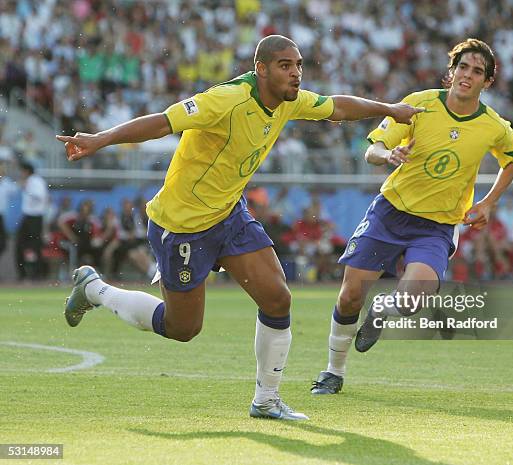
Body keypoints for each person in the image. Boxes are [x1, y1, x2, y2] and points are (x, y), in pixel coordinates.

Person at [56, 35, 423, 420]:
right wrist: (102, 138)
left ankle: (266, 400)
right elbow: (164, 122)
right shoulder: (226, 99)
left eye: (298, 65)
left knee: (278, 299)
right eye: (286, 65)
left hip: (229, 215)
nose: (296, 73)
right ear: (261, 69)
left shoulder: (289, 100)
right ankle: (95, 290)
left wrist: (389, 109)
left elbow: (339, 107)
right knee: (182, 328)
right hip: (182, 225)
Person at [311, 38, 513, 395]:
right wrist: (387, 154)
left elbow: (512, 158)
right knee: (349, 297)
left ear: (487, 83)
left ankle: (381, 310)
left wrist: (488, 203)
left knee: (410, 302)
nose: (467, 76)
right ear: (451, 71)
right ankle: (333, 371)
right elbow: (372, 150)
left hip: (437, 225)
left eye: (477, 72)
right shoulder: (418, 105)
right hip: (389, 213)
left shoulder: (494, 126)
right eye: (462, 68)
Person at [15, 161, 49, 280]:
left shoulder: (36, 181)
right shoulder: (30, 181)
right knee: (21, 245)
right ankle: (23, 274)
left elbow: (40, 196)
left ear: (26, 171)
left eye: (22, 171)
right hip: (28, 216)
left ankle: (36, 274)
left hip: (35, 217)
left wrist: (27, 188)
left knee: (34, 246)